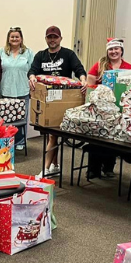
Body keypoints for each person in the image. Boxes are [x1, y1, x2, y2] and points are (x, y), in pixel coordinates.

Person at [29, 26, 86, 175]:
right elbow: (32, 70)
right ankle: (55, 166)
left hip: (63, 100)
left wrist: (83, 80)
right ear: (46, 39)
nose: (52, 40)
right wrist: (32, 78)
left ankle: (45, 169)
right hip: (46, 100)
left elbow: (79, 69)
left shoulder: (68, 54)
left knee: (53, 134)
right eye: (49, 37)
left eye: (55, 37)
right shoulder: (40, 55)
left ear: (60, 38)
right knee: (50, 134)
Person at [85, 38, 131, 179]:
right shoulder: (100, 65)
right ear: (107, 51)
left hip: (119, 110)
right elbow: (89, 85)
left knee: (113, 139)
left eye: (116, 49)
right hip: (100, 109)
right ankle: (93, 169)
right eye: (111, 49)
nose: (114, 52)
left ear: (121, 50)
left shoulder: (129, 68)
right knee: (96, 138)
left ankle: (108, 168)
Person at [0, 26, 33, 151]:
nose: (14, 39)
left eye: (17, 36)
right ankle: (7, 142)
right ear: (8, 39)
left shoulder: (28, 53)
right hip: (6, 90)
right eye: (12, 36)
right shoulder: (1, 52)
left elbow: (33, 71)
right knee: (7, 119)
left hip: (22, 90)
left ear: (21, 38)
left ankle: (20, 141)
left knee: (21, 118)